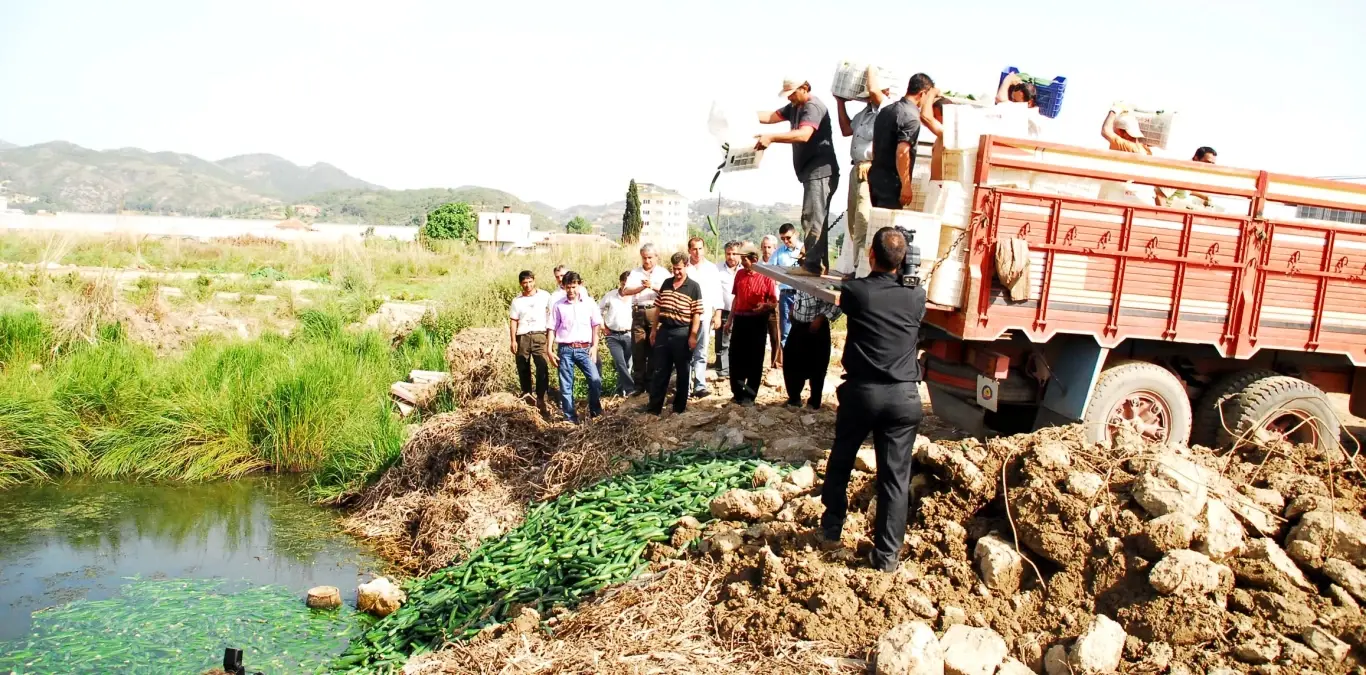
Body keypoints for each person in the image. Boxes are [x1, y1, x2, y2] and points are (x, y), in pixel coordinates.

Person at [821, 227, 926, 573]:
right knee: (894, 478)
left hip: (863, 394)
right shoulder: (916, 297)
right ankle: (886, 558)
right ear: (904, 260)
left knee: (842, 459)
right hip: (903, 397)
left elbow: (847, 289)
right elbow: (911, 289)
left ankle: (832, 526)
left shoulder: (857, 292)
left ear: (870, 256)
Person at [756, 78, 840, 275]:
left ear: (805, 88)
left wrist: (772, 138)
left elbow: (803, 134)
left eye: (793, 93)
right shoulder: (795, 105)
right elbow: (770, 116)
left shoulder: (813, 106)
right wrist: (742, 116)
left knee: (813, 217)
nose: (790, 98)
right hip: (811, 173)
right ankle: (820, 264)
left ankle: (812, 265)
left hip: (820, 173)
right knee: (816, 218)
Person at [835, 66, 890, 281]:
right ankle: (858, 266)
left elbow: (875, 91)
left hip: (870, 167)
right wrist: (840, 102)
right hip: (856, 167)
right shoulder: (866, 113)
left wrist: (869, 68)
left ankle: (861, 271)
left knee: (863, 218)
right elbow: (846, 129)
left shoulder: (887, 108)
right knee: (853, 220)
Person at [645, 252, 704, 416]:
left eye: (679, 269)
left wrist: (692, 335)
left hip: (682, 332)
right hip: (665, 331)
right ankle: (654, 408)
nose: (676, 272)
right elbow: (658, 309)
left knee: (682, 372)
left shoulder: (693, 287)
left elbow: (697, 314)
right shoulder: (666, 283)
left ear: (686, 266)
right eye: (674, 269)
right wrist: (654, 330)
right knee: (660, 371)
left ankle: (679, 408)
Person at [871, 73, 937, 210]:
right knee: (889, 227)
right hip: (892, 183)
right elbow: (902, 151)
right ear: (922, 93)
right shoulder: (911, 117)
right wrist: (906, 185)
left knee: (877, 224)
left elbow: (875, 145)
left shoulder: (885, 111)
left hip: (876, 179)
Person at [546, 271, 603, 424]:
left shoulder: (589, 303)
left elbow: (595, 325)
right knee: (566, 385)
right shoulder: (559, 305)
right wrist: (549, 350)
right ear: (563, 287)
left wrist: (595, 346)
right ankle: (570, 418)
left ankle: (595, 412)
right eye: (568, 287)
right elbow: (551, 327)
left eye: (573, 287)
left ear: (580, 285)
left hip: (585, 349)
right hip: (565, 349)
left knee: (595, 379)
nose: (571, 291)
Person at [725, 243, 777, 407]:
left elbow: (774, 302)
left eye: (744, 260)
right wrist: (729, 320)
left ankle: (750, 395)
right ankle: (737, 393)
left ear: (754, 259)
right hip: (740, 319)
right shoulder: (740, 274)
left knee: (754, 358)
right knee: (736, 357)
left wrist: (765, 306)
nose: (742, 263)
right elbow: (736, 298)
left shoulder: (766, 276)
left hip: (757, 320)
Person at [622, 244, 670, 395]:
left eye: (650, 257)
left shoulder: (663, 273)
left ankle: (652, 383)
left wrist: (653, 286)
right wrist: (641, 288)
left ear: (656, 257)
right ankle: (639, 385)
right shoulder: (635, 273)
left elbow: (669, 291)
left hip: (655, 311)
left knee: (655, 349)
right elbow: (626, 291)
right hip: (639, 311)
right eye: (644, 258)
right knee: (638, 349)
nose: (647, 261)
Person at [783, 289, 842, 410]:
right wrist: (794, 309)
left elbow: (839, 303)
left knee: (818, 367)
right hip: (798, 324)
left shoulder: (828, 286)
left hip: (817, 328)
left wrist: (822, 318)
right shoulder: (802, 280)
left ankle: (814, 402)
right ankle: (794, 399)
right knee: (791, 362)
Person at [507, 270, 552, 412]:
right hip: (523, 335)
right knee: (523, 366)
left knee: (542, 365)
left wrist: (551, 334)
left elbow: (552, 314)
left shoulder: (545, 296)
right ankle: (527, 395)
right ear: (521, 284)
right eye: (524, 283)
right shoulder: (517, 301)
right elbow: (513, 321)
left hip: (540, 334)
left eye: (530, 281)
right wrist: (513, 340)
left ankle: (541, 397)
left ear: (534, 280)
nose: (528, 285)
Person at [684, 237, 723, 398]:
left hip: (705, 315)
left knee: (701, 351)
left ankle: (699, 385)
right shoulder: (684, 268)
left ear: (704, 249)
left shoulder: (711, 268)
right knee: (685, 351)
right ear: (689, 250)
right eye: (694, 249)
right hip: (686, 316)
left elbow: (717, 292)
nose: (697, 252)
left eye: (700, 248)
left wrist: (718, 313)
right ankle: (685, 386)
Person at [598, 271, 635, 397]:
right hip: (613, 335)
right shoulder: (610, 295)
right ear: (620, 282)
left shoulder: (635, 296)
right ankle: (630, 389)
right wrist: (603, 327)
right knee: (620, 362)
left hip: (629, 334)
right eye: (623, 283)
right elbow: (598, 310)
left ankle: (620, 390)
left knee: (628, 364)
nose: (625, 287)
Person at [713, 241, 741, 379]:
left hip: (742, 311)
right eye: (728, 254)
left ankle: (738, 369)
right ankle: (723, 371)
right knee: (723, 342)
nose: (731, 257)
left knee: (740, 343)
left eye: (734, 253)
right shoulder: (717, 269)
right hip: (724, 310)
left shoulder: (745, 269)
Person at [773, 223, 802, 343]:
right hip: (785, 295)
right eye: (783, 239)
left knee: (801, 329)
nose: (785, 241)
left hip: (802, 295)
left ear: (796, 234)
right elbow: (769, 269)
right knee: (785, 332)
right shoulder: (779, 252)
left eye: (788, 238)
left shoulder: (805, 249)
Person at [757, 236, 783, 367]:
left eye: (769, 247)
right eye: (764, 247)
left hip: (775, 302)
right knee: (759, 335)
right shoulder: (758, 265)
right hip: (760, 303)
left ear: (775, 248)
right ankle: (757, 363)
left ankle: (776, 363)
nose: (766, 250)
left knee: (776, 334)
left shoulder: (779, 264)